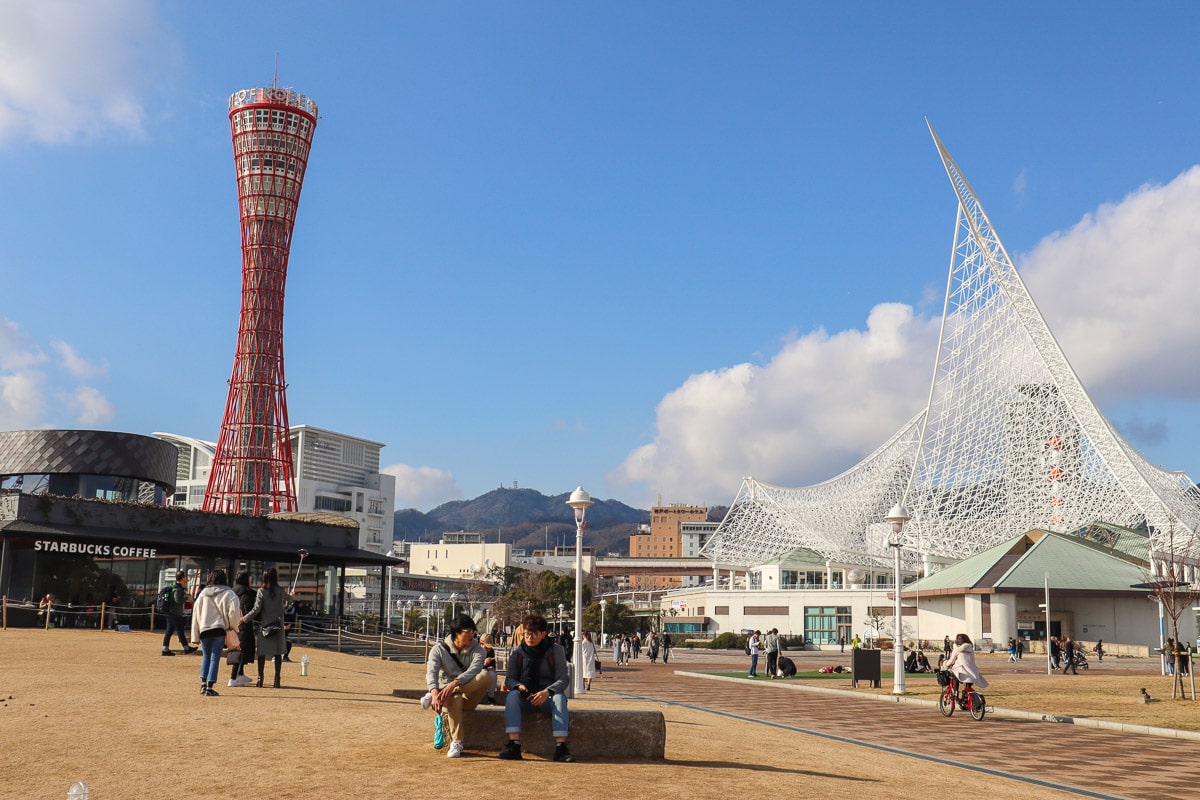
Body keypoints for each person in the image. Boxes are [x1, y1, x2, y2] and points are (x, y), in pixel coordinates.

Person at [498, 613, 574, 762]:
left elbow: (563, 678)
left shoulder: (555, 650)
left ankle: (561, 747)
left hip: (547, 697)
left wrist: (547, 692)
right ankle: (514, 745)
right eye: (527, 634)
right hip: (526, 697)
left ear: (543, 634)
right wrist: (518, 685)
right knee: (512, 696)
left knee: (559, 698)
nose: (529, 638)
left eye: (534, 634)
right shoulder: (517, 652)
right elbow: (510, 679)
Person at [423, 614, 488, 758]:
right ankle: (457, 742)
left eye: (473, 631)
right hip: (450, 698)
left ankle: (445, 692)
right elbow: (431, 672)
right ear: (457, 633)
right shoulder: (438, 650)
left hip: (468, 693)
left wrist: (452, 686)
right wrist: (434, 693)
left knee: (486, 676)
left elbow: (474, 671)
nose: (472, 635)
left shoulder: (479, 650)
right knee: (455, 699)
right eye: (468, 631)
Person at [189, 569, 241, 697]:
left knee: (206, 656)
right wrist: (234, 627)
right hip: (219, 628)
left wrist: (195, 634)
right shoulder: (229, 593)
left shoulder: (202, 594)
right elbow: (234, 613)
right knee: (215, 657)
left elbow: (195, 615)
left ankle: (203, 684)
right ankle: (210, 686)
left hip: (204, 629)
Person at [242, 567, 290, 688]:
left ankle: (260, 679)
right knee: (278, 654)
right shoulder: (281, 591)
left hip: (265, 627)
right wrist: (291, 596)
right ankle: (277, 680)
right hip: (278, 626)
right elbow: (290, 599)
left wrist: (244, 619)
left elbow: (256, 610)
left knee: (262, 654)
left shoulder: (261, 591)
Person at [942, 633, 989, 705]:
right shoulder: (970, 648)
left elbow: (951, 661)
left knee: (954, 676)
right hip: (972, 672)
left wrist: (945, 664)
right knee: (968, 687)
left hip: (962, 671)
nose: (958, 640)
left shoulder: (957, 649)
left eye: (959, 639)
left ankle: (955, 693)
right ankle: (965, 700)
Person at [228, 572, 257, 687]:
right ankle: (233, 677)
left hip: (233, 623)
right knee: (241, 650)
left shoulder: (231, 591)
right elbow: (250, 609)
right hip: (244, 623)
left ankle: (240, 673)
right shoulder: (249, 593)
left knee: (238, 649)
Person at [161, 571, 196, 656]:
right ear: (182, 578)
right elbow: (177, 600)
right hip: (175, 613)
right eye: (185, 577)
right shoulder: (178, 589)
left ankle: (165, 649)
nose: (186, 578)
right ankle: (186, 648)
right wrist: (186, 597)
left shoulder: (174, 587)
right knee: (180, 631)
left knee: (169, 631)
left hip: (171, 612)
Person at [479, 633, 499, 704]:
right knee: (484, 673)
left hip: (486, 670)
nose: (488, 649)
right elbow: (472, 668)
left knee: (493, 674)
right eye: (486, 647)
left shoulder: (491, 651)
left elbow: (493, 665)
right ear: (481, 644)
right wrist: (484, 664)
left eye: (490, 648)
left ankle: (491, 697)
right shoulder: (476, 651)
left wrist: (492, 667)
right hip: (478, 672)